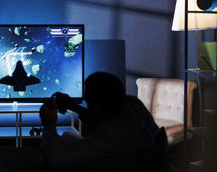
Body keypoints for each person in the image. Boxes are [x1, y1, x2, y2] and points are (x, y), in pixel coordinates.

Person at [39, 72, 168, 170]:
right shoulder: (134, 104)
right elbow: (105, 117)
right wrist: (74, 106)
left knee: (67, 136)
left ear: (97, 109)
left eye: (89, 103)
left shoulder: (108, 139)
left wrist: (49, 124)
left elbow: (56, 159)